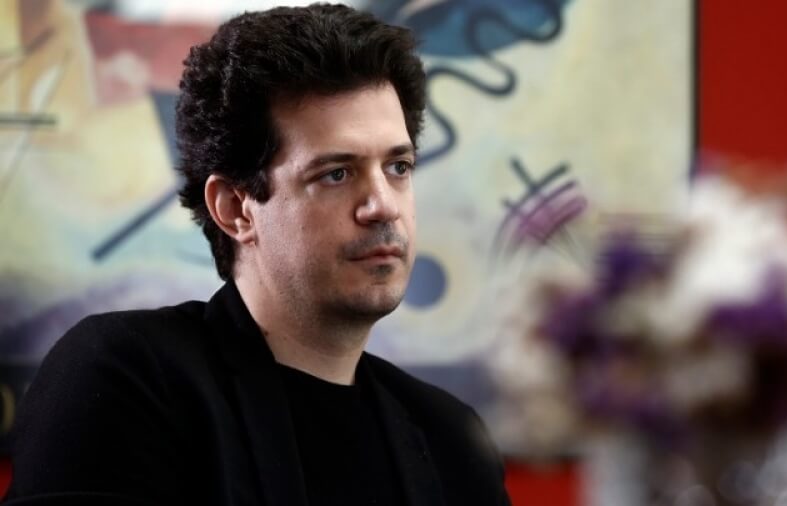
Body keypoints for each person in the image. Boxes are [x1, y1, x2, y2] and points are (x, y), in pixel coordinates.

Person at [4, 4, 511, 506]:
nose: (383, 206)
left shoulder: (449, 439)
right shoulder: (126, 377)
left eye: (398, 167)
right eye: (336, 174)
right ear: (234, 209)